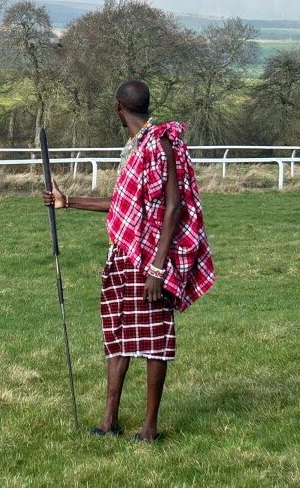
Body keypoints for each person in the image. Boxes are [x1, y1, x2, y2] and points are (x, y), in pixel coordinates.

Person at [43, 80, 215, 442]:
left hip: (150, 258)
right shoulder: (135, 148)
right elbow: (126, 205)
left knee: (154, 339)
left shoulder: (163, 143)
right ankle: (109, 422)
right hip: (122, 253)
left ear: (117, 107)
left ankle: (149, 428)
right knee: (118, 334)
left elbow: (173, 207)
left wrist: (157, 267)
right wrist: (68, 201)